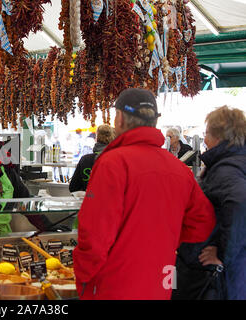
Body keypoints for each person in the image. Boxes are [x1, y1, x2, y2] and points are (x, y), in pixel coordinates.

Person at [72, 88, 216, 300]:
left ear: (119, 118)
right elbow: (202, 222)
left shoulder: (112, 163)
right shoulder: (177, 168)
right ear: (155, 121)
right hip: (160, 283)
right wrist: (165, 240)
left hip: (114, 286)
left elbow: (95, 234)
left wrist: (83, 278)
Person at [173, 106, 246, 300]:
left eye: (207, 134)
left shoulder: (227, 170)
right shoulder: (236, 162)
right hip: (229, 274)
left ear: (219, 136)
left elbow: (239, 202)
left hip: (216, 278)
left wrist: (223, 253)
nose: (204, 140)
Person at [69, 124, 115, 192]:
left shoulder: (85, 159)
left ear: (96, 138)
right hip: (110, 201)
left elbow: (73, 187)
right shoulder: (116, 160)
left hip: (89, 200)